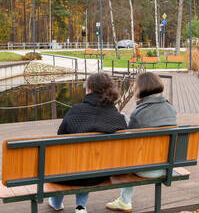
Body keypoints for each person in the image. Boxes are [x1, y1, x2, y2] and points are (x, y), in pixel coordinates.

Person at [49, 73, 128, 213]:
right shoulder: (118, 118)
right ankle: (80, 206)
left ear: (89, 90)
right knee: (89, 162)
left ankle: (56, 203)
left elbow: (60, 138)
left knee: (65, 161)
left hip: (69, 174)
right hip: (101, 173)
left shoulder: (75, 111)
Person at [106, 72, 177, 213]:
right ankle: (124, 200)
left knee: (128, 154)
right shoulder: (171, 108)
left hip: (145, 169)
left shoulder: (139, 113)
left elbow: (129, 142)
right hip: (167, 167)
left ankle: (125, 201)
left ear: (141, 89)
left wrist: (120, 119)